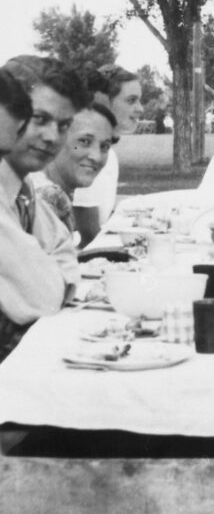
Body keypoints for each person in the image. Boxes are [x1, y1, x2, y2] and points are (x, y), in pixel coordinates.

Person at [0, 56, 86, 362]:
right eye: (40, 119)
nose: (52, 137)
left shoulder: (26, 192)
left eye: (63, 125)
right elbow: (46, 296)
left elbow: (67, 257)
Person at [29, 102, 117, 244]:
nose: (96, 156)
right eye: (84, 141)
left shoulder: (49, 188)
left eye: (104, 146)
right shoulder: (48, 196)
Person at [71, 64, 144, 236]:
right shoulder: (86, 154)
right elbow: (87, 236)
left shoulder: (108, 154)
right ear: (103, 101)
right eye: (131, 100)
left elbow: (101, 213)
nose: (141, 109)